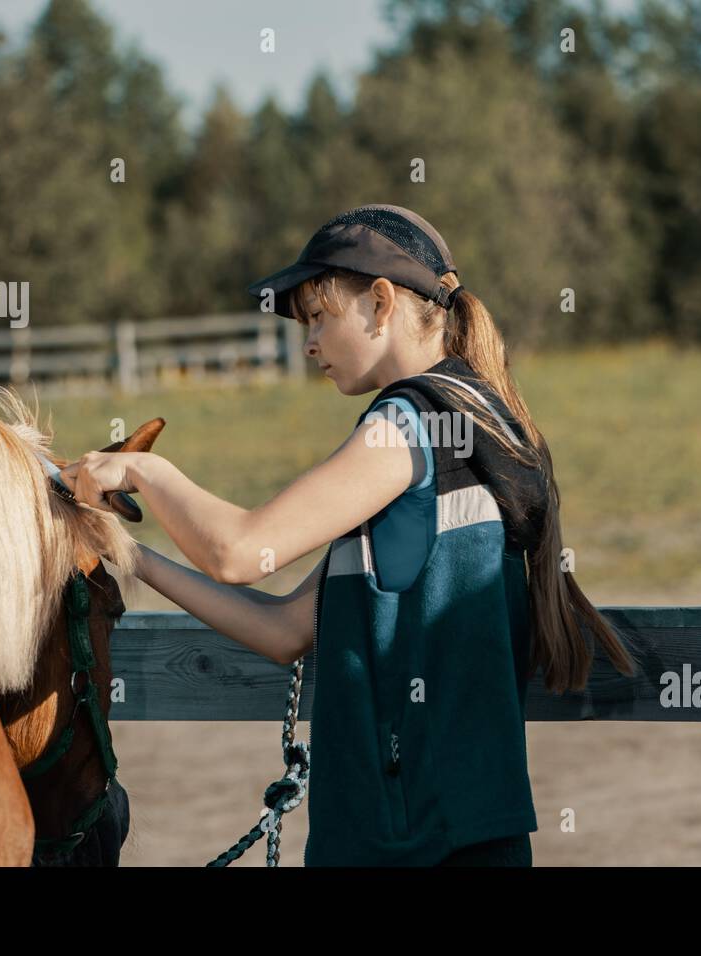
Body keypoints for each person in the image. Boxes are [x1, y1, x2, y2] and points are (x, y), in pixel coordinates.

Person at [58, 203, 635, 866]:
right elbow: (285, 632)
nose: (308, 344)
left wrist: (142, 470)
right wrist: (128, 554)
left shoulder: (407, 422)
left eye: (318, 318)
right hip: (465, 829)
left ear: (382, 303)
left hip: (404, 836)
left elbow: (241, 552)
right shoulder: (470, 420)